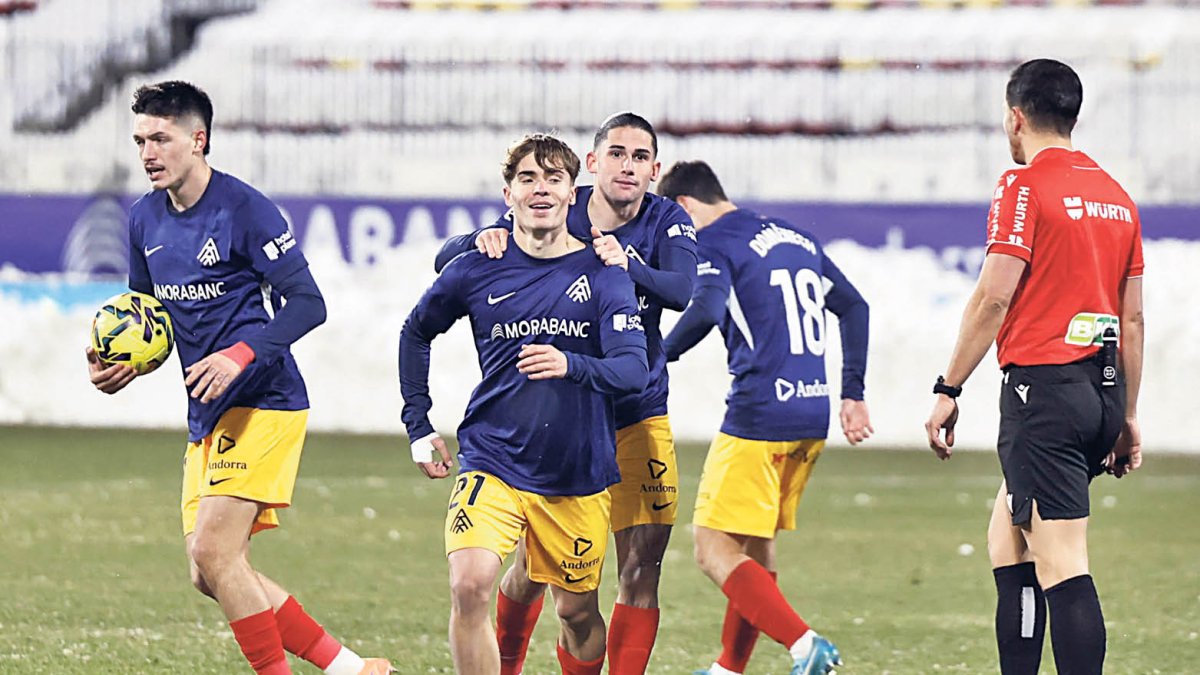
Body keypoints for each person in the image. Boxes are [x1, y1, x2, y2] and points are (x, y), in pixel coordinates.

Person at [85, 81, 392, 675]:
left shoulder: (246, 210)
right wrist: (126, 362)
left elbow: (309, 303)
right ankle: (352, 669)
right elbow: (148, 314)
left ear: (198, 140)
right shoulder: (143, 218)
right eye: (140, 141)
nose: (148, 153)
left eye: (161, 139)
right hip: (207, 411)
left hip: (264, 399)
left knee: (214, 551)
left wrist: (240, 355)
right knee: (209, 572)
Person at [434, 112, 696, 675]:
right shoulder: (556, 201)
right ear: (593, 163)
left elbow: (681, 291)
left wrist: (627, 264)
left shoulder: (666, 219)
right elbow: (452, 259)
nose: (628, 166)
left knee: (641, 565)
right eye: (617, 153)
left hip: (637, 411)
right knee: (532, 571)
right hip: (565, 421)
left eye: (640, 157)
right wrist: (479, 237)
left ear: (655, 169)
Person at [924, 59, 1144, 675]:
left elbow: (993, 298)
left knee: (1063, 561)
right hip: (1099, 391)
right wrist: (1126, 415)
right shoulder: (1117, 197)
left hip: (1044, 393)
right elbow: (1132, 320)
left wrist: (948, 387)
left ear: (1015, 117)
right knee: (1008, 543)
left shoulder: (1022, 186)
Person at [399, 133, 649, 675]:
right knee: (469, 586)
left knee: (577, 614)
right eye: (527, 178)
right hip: (493, 460)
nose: (540, 189)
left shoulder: (604, 273)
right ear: (507, 193)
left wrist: (571, 364)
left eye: (553, 179)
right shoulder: (476, 266)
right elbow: (416, 332)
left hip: (576, 472)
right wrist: (418, 422)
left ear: (571, 194)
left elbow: (633, 370)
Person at [659, 160, 872, 675]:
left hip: (759, 413)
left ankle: (804, 644)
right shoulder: (795, 238)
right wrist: (853, 392)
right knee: (755, 546)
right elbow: (855, 306)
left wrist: (655, 356)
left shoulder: (713, 242)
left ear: (684, 207)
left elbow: (706, 309)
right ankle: (729, 669)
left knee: (711, 547)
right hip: (811, 412)